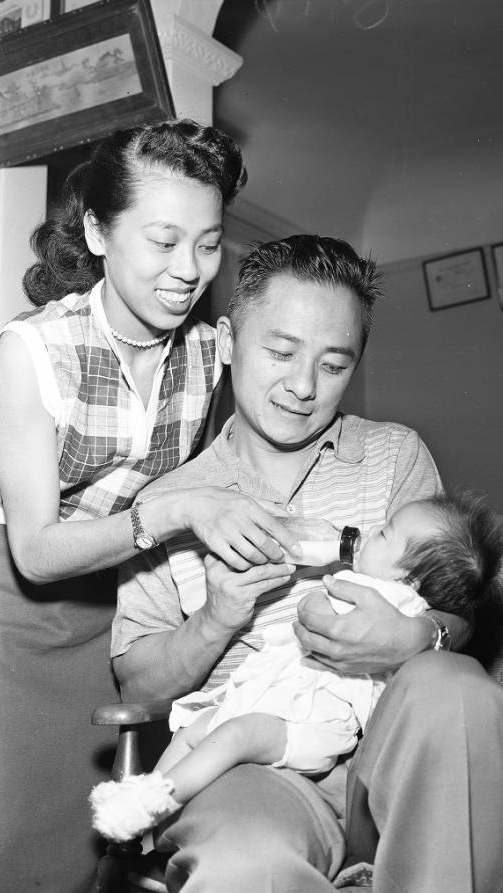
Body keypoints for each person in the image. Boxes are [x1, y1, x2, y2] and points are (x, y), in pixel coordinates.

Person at [111, 234, 503, 893]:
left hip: (396, 752)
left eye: (334, 365)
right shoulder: (169, 502)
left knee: (460, 691)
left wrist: (418, 635)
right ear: (225, 342)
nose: (303, 386)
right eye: (280, 351)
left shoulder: (393, 457)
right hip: (258, 770)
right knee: (246, 863)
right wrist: (218, 616)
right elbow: (136, 686)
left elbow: (456, 609)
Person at [0, 120, 300, 893]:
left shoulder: (205, 351)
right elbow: (33, 548)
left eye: (207, 244)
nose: (189, 270)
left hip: (129, 617)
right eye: (163, 240)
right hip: (15, 619)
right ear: (98, 232)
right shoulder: (31, 352)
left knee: (108, 841)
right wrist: (175, 513)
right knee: (17, 842)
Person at [91, 492, 503, 842]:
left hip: (316, 721)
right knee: (197, 731)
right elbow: (139, 685)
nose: (369, 535)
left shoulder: (391, 601)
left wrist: (420, 634)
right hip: (277, 699)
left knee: (235, 734)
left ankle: (152, 806)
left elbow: (313, 610)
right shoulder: (383, 581)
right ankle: (146, 808)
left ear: (409, 580)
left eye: (384, 533)